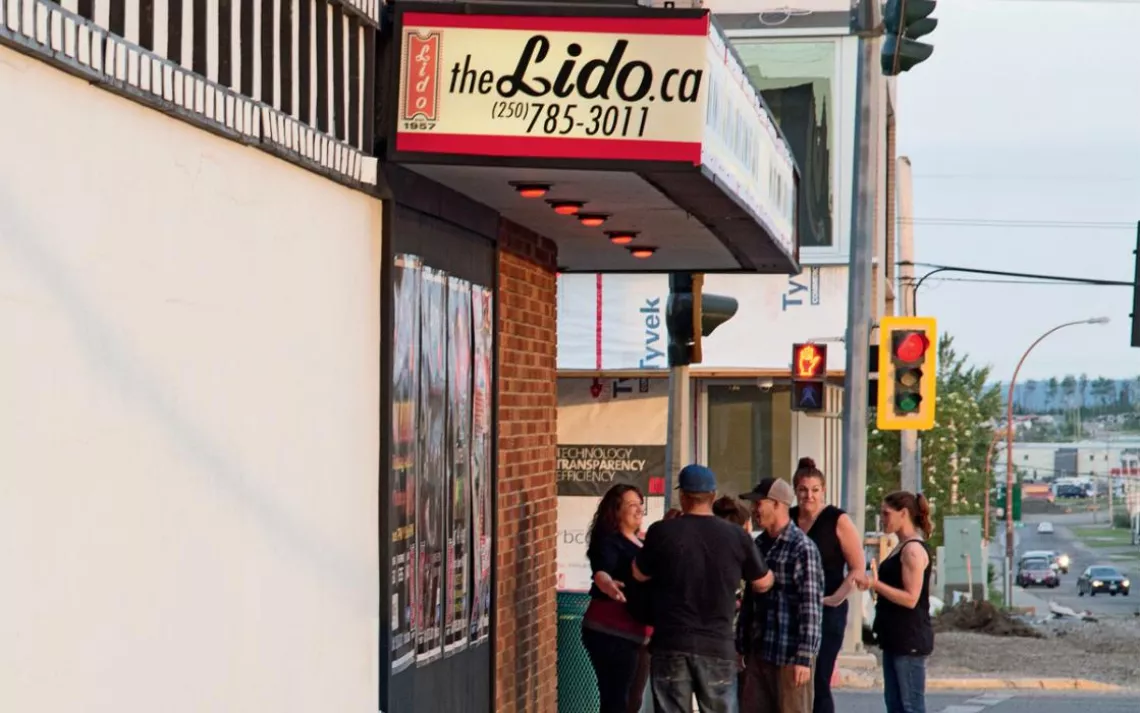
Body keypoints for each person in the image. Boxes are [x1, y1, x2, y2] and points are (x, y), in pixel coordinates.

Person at [632, 464, 774, 713]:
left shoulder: (662, 532)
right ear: (713, 496)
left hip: (671, 644)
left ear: (683, 497)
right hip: (717, 646)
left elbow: (638, 573)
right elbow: (763, 582)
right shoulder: (736, 536)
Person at [737, 477, 824, 713]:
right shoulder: (759, 544)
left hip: (790, 656)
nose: (754, 509)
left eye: (759, 503)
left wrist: (804, 658)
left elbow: (811, 608)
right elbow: (750, 599)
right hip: (760, 652)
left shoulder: (802, 548)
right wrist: (741, 644)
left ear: (777, 504)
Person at [789, 457, 867, 713]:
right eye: (802, 490)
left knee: (819, 678)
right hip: (793, 611)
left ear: (823, 490)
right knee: (793, 679)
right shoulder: (788, 519)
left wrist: (836, 598)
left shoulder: (837, 519)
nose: (808, 496)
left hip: (827, 609)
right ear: (795, 491)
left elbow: (857, 567)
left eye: (814, 490)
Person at [582, 484, 653, 713]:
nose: (639, 510)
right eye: (632, 505)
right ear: (616, 510)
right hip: (611, 632)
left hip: (640, 635)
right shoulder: (608, 542)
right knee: (616, 701)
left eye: (640, 505)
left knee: (633, 701)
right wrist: (608, 585)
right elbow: (601, 571)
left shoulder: (644, 543)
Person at [867, 491, 934, 713]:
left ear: (903, 513)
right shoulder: (901, 545)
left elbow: (910, 598)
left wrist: (876, 585)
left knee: (910, 706)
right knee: (895, 705)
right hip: (895, 637)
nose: (883, 519)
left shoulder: (912, 550)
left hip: (908, 639)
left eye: (887, 514)